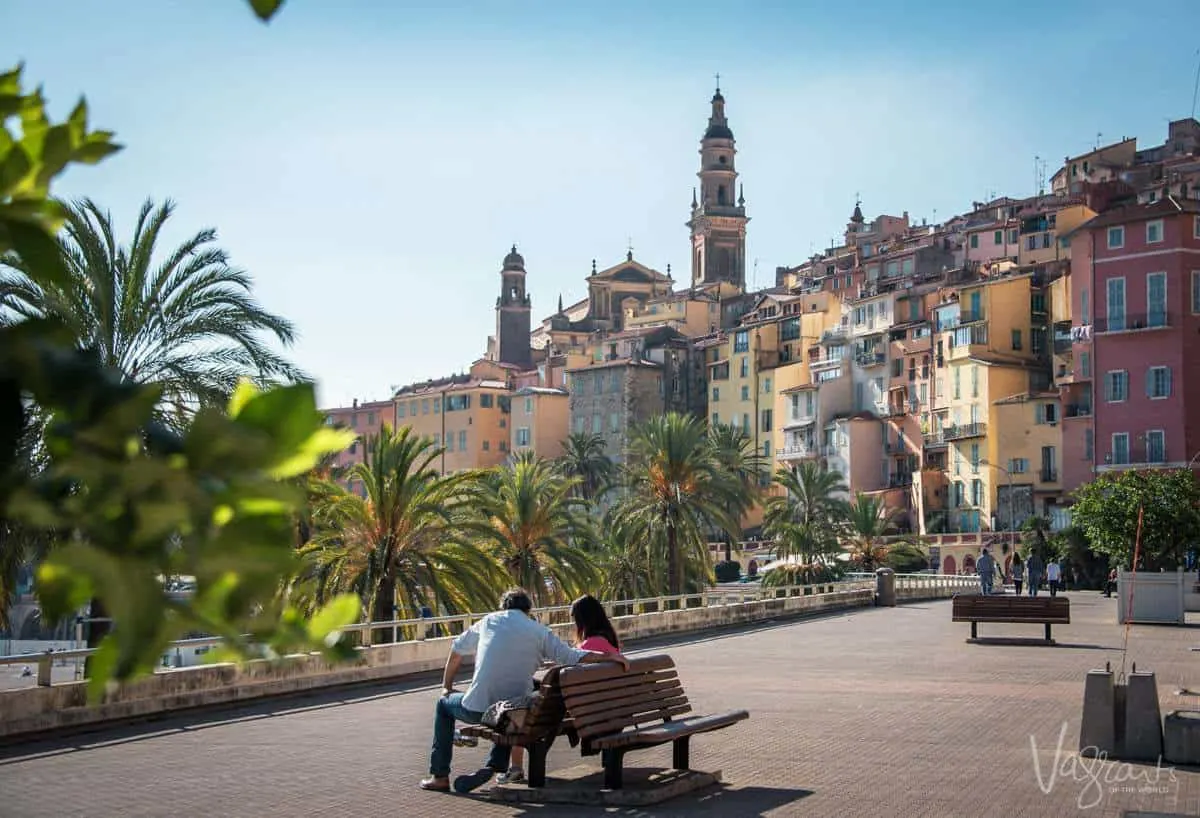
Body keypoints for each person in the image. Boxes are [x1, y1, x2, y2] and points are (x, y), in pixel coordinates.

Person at [421, 588, 629, 794]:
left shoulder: (489, 621)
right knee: (512, 706)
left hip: (480, 709)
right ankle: (495, 764)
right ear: (528, 610)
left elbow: (456, 650)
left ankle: (439, 776)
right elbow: (573, 656)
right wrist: (609, 657)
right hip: (515, 712)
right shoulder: (538, 631)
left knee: (444, 705)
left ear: (504, 607)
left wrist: (446, 687)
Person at [499, 594, 624, 785]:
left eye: (575, 618)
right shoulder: (608, 639)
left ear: (583, 619)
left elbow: (566, 676)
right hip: (604, 706)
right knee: (531, 694)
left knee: (519, 701)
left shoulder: (591, 644)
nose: (574, 623)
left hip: (584, 709)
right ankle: (514, 767)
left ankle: (515, 768)